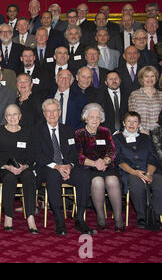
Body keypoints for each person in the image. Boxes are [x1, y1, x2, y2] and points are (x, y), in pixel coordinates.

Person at [33, 99, 94, 235]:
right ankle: (60, 221)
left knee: (84, 175)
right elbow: (37, 155)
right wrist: (57, 167)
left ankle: (80, 219)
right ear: (44, 114)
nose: (52, 114)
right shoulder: (37, 131)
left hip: (67, 166)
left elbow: (74, 153)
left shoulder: (68, 130)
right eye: (48, 111)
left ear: (59, 112)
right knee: (53, 176)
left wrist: (69, 166)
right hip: (47, 167)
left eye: (54, 110)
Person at [75, 103, 123, 231]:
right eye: (92, 117)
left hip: (106, 166)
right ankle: (101, 219)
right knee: (98, 182)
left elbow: (112, 151)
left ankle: (118, 219)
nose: (95, 120)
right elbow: (79, 156)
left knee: (112, 180)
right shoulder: (79, 134)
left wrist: (105, 161)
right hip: (89, 168)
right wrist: (95, 163)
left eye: (97, 117)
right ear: (86, 118)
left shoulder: (105, 131)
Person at [0, 104, 38, 233]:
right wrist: (8, 167)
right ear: (5, 117)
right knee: (10, 179)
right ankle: (8, 216)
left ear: (20, 116)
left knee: (29, 176)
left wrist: (24, 166)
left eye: (15, 114)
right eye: (9, 115)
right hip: (4, 168)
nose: (12, 117)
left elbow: (32, 155)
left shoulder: (27, 132)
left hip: (23, 167)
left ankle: (30, 217)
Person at [115, 111, 162, 228]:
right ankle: (142, 216)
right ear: (124, 123)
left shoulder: (146, 138)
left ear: (139, 124)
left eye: (135, 121)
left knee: (159, 183)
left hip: (148, 171)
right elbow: (118, 160)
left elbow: (153, 157)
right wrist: (135, 172)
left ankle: (155, 215)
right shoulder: (117, 138)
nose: (132, 124)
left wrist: (149, 173)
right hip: (129, 172)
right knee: (136, 183)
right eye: (129, 121)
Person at [128, 66, 162, 134]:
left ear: (156, 78)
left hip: (159, 135)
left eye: (152, 76)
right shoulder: (134, 95)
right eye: (146, 76)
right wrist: (141, 130)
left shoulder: (161, 95)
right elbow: (133, 116)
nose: (150, 79)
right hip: (140, 133)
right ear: (142, 79)